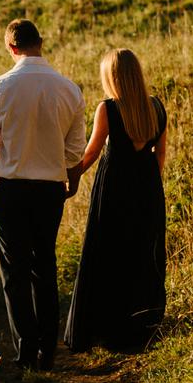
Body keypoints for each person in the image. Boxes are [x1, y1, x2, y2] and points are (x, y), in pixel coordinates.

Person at [0, 18, 86, 371]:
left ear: (11, 47)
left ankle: (26, 349)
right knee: (44, 265)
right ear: (40, 42)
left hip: (11, 190)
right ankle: (48, 349)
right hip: (49, 191)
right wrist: (72, 182)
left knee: (14, 270)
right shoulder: (69, 90)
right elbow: (74, 152)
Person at [64, 48, 168, 352]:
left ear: (112, 77)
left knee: (109, 252)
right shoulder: (156, 107)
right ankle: (140, 325)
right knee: (142, 253)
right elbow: (160, 154)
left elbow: (92, 152)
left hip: (114, 190)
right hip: (148, 189)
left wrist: (70, 177)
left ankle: (107, 327)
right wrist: (149, 186)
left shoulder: (108, 109)